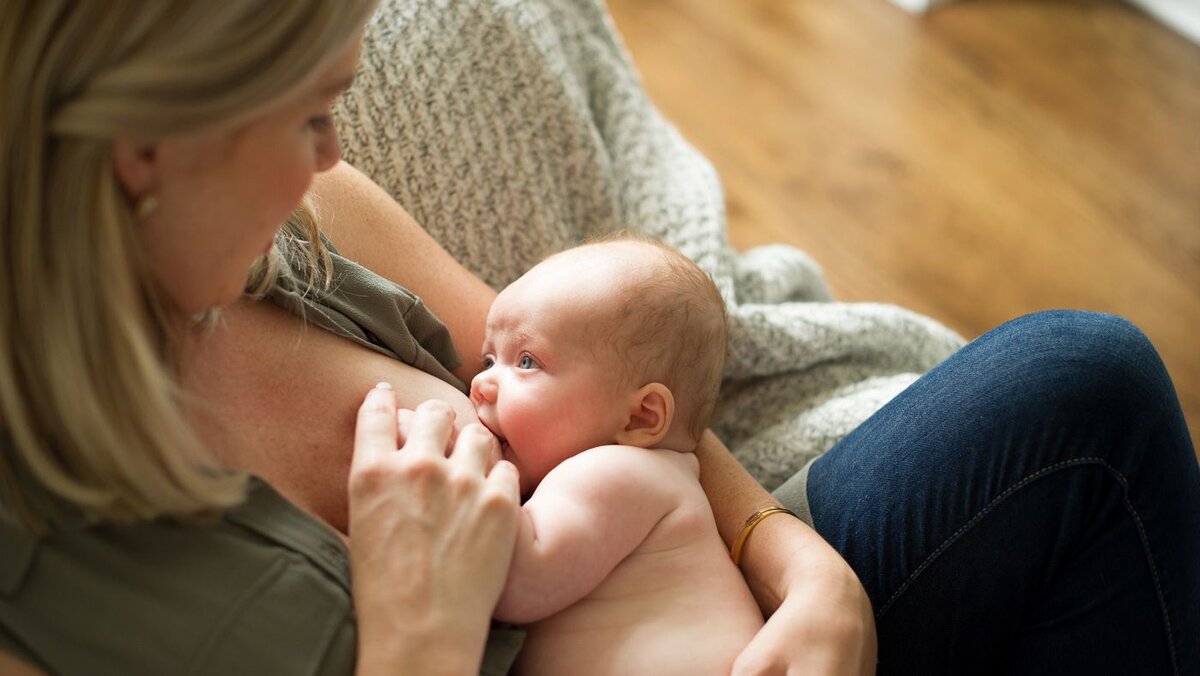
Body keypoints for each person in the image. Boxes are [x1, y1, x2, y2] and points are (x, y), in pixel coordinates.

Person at [1, 1, 1196, 674]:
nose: (333, 153)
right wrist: (420, 632)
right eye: (311, 112)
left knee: (1082, 393)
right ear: (145, 148)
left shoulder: (306, 226)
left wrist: (806, 574)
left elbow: (632, 400)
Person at [472, 238, 764, 674]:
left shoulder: (616, 471)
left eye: (527, 362)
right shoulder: (645, 475)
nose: (482, 384)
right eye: (489, 359)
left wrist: (462, 464)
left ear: (640, 418)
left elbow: (514, 580)